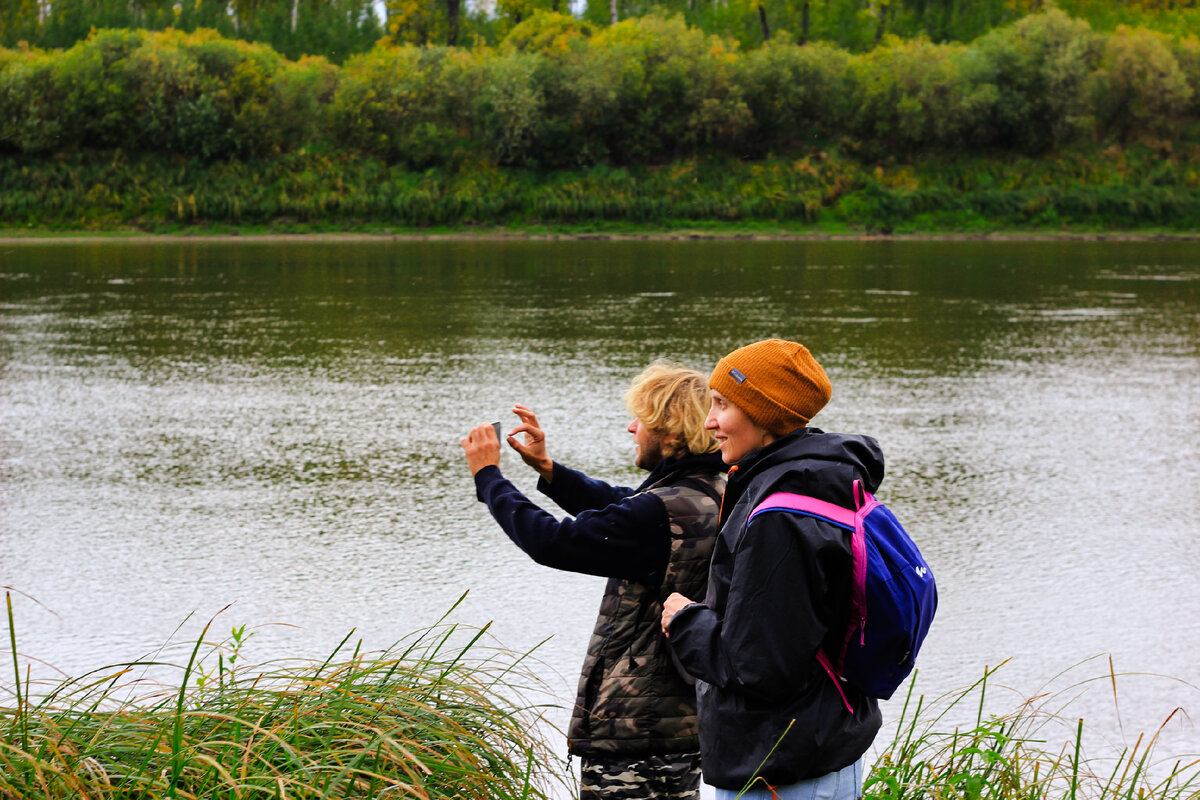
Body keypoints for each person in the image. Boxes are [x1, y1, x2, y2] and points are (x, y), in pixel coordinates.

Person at [460, 362, 727, 800]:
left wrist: (488, 477)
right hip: (677, 723)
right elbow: (624, 506)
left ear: (671, 432)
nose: (630, 428)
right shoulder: (710, 493)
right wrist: (549, 469)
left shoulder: (659, 512)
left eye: (640, 420)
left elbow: (552, 542)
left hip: (634, 734)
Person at [659, 339, 884, 800]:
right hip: (817, 748)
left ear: (764, 413)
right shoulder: (818, 480)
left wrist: (685, 621)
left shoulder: (780, 515)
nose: (709, 422)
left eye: (723, 404)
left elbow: (758, 667)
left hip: (784, 769)